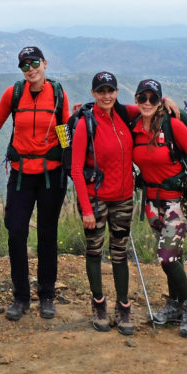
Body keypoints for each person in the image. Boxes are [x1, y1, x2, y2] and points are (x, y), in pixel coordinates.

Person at [0, 46, 70, 321]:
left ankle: (46, 296)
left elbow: (64, 128)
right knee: (16, 232)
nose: (30, 69)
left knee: (47, 234)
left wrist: (69, 160)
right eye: (24, 65)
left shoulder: (57, 93)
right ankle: (20, 296)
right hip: (20, 174)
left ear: (45, 63)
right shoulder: (13, 93)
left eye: (33, 63)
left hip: (51, 174)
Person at [130, 79, 187, 338]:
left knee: (166, 256)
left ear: (160, 101)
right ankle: (175, 304)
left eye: (153, 99)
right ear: (137, 99)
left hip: (177, 201)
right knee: (173, 258)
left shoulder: (173, 125)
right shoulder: (134, 128)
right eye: (143, 97)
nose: (147, 103)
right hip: (152, 203)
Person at [68, 71, 140, 334]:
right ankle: (98, 303)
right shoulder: (85, 123)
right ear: (93, 94)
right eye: (101, 91)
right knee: (94, 251)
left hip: (123, 198)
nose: (106, 95)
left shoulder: (124, 115)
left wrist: (169, 103)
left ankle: (124, 308)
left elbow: (151, 105)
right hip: (95, 199)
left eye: (111, 91)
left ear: (117, 93)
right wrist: (86, 209)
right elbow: (76, 170)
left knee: (120, 254)